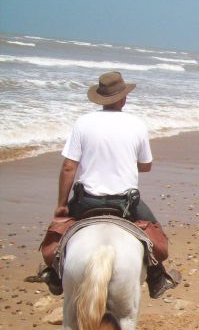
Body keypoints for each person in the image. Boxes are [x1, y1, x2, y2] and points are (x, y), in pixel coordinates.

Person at [41, 71, 178, 298]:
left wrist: (61, 205)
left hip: (86, 201)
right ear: (123, 98)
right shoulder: (137, 124)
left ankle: (53, 274)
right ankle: (157, 277)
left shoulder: (83, 122)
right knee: (155, 233)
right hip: (126, 203)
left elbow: (68, 167)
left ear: (101, 99)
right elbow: (146, 165)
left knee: (57, 234)